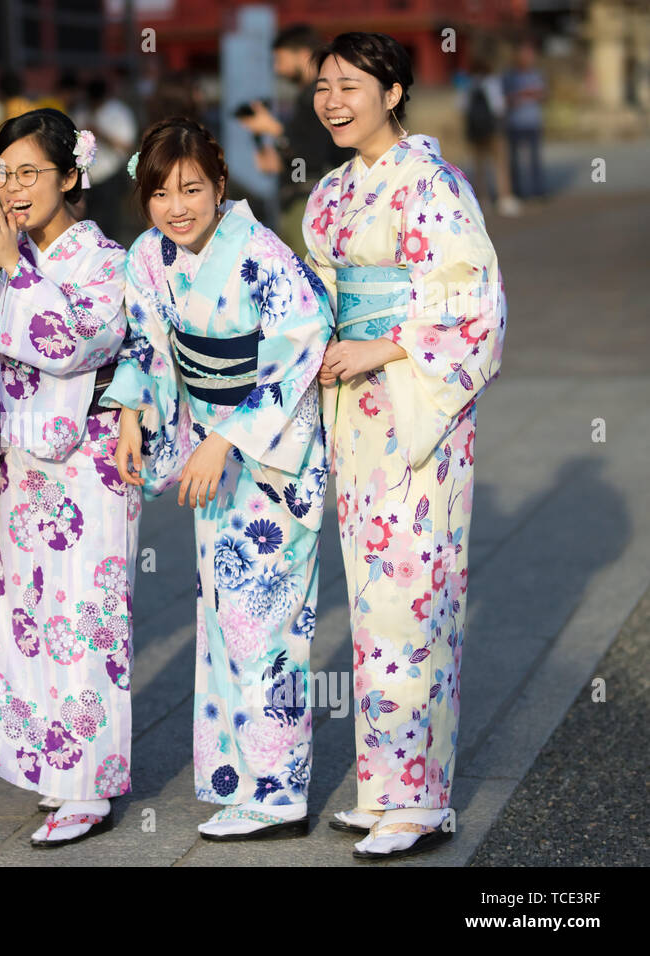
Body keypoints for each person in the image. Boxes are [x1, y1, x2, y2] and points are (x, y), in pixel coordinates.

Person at [304, 32, 506, 859]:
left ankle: (422, 801)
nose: (332, 100)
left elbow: (473, 300)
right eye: (323, 86)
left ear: (393, 92)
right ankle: (386, 787)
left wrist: (382, 346)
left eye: (351, 85)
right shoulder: (331, 192)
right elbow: (319, 288)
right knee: (375, 599)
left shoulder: (433, 184)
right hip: (354, 410)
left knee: (415, 597)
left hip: (416, 408)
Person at [107, 117, 333, 841]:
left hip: (269, 455)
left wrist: (228, 438)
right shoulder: (148, 256)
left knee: (266, 619)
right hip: (212, 444)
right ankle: (243, 774)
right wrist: (132, 413)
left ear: (221, 186)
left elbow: (301, 344)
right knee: (226, 615)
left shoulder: (261, 254)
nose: (177, 207)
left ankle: (279, 792)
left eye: (192, 189)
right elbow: (143, 339)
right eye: (162, 193)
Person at [0, 108, 139, 847]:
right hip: (26, 465)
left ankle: (88, 785)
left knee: (85, 619)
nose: (15, 187)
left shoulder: (105, 260)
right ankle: (48, 766)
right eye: (5, 172)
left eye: (31, 172)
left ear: (69, 177)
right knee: (28, 616)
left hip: (89, 463)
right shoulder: (3, 252)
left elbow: (72, 341)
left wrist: (9, 269)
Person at [238, 24, 351, 260]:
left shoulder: (319, 96)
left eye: (280, 59)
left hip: (313, 203)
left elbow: (313, 157)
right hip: (301, 200)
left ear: (302, 54)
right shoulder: (307, 96)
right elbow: (302, 154)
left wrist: (274, 128)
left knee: (310, 274)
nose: (277, 68)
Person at [77, 74, 138, 244]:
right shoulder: (81, 111)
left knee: (110, 225)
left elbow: (127, 146)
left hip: (110, 175)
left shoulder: (118, 112)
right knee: (88, 224)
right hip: (87, 177)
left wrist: (100, 133)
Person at [461, 54, 522, 217]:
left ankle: (483, 199)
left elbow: (462, 107)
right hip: (493, 129)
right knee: (500, 164)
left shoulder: (467, 84)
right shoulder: (492, 82)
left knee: (479, 166)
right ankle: (504, 198)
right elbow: (498, 107)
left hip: (475, 131)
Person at [502, 40, 548, 200]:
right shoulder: (509, 76)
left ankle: (538, 191)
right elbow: (504, 99)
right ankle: (518, 191)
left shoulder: (536, 74)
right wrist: (523, 95)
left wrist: (530, 95)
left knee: (535, 159)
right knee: (515, 160)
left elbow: (543, 95)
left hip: (533, 122)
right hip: (515, 123)